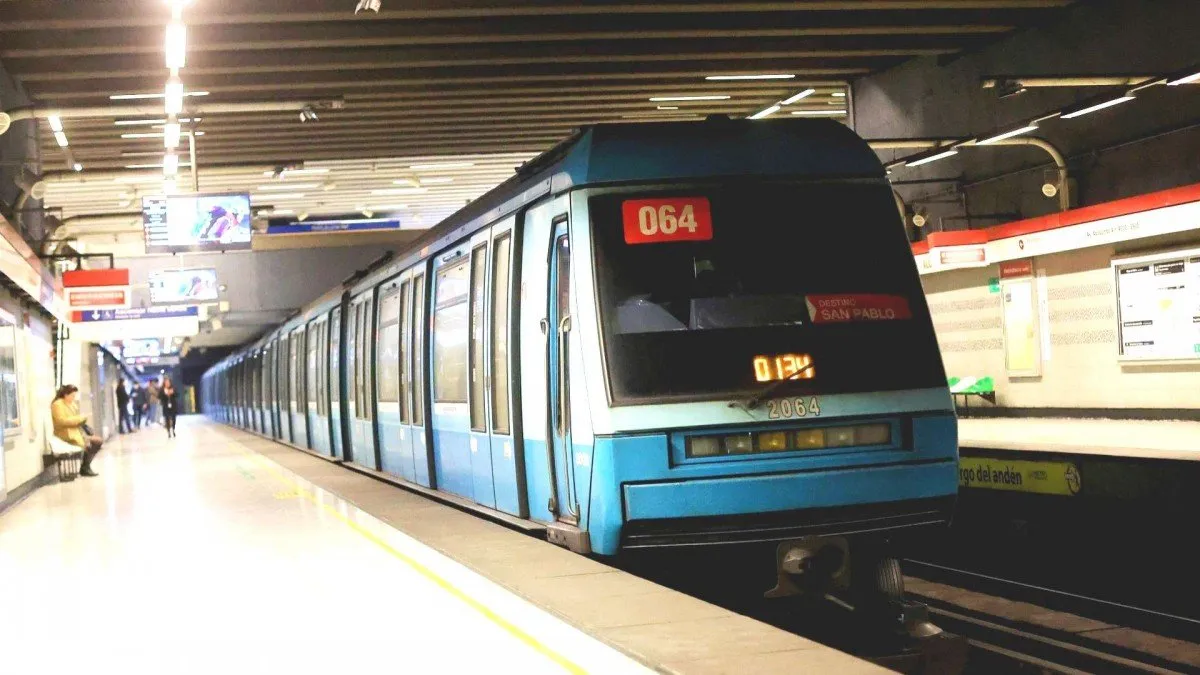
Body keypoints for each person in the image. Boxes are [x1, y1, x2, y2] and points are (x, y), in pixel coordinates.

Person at [52, 384, 103, 478]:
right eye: (72, 396)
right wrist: (80, 418)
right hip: (65, 434)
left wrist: (81, 418)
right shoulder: (57, 405)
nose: (73, 398)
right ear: (65, 395)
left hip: (75, 432)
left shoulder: (71, 404)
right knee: (94, 442)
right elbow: (61, 421)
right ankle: (85, 467)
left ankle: (85, 466)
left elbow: (76, 418)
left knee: (98, 441)